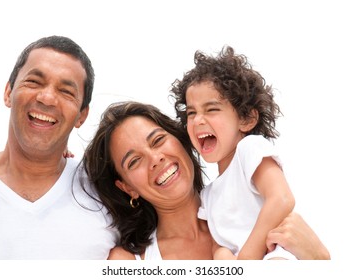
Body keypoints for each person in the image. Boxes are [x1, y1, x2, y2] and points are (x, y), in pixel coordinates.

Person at [82, 100, 330, 260]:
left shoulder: (258, 213)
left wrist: (319, 259)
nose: (155, 158)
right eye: (134, 161)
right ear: (127, 187)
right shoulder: (129, 261)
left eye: (158, 140)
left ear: (181, 140)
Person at [0, 35, 117, 259]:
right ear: (8, 92)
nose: (47, 98)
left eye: (66, 92)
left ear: (82, 115)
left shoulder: (108, 197)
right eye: (34, 82)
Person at [170, 46, 297, 260]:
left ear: (246, 119)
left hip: (276, 256)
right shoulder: (208, 195)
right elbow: (217, 243)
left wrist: (248, 256)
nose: (198, 119)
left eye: (211, 109)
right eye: (192, 113)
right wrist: (221, 255)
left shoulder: (251, 149)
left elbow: (282, 199)